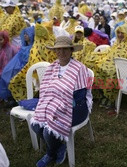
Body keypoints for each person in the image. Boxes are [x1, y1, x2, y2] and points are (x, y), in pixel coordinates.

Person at [30, 36, 92, 167]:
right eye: (58, 49)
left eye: (65, 49)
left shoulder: (80, 69)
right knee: (35, 124)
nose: (61, 52)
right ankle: (59, 147)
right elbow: (46, 91)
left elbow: (80, 97)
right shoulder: (52, 67)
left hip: (76, 108)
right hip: (54, 104)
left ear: (71, 51)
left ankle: (50, 154)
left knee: (48, 131)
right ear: (55, 51)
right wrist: (51, 105)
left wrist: (60, 106)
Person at [0, 27, 34, 101]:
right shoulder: (23, 47)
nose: (25, 35)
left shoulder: (33, 48)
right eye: (24, 34)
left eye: (27, 34)